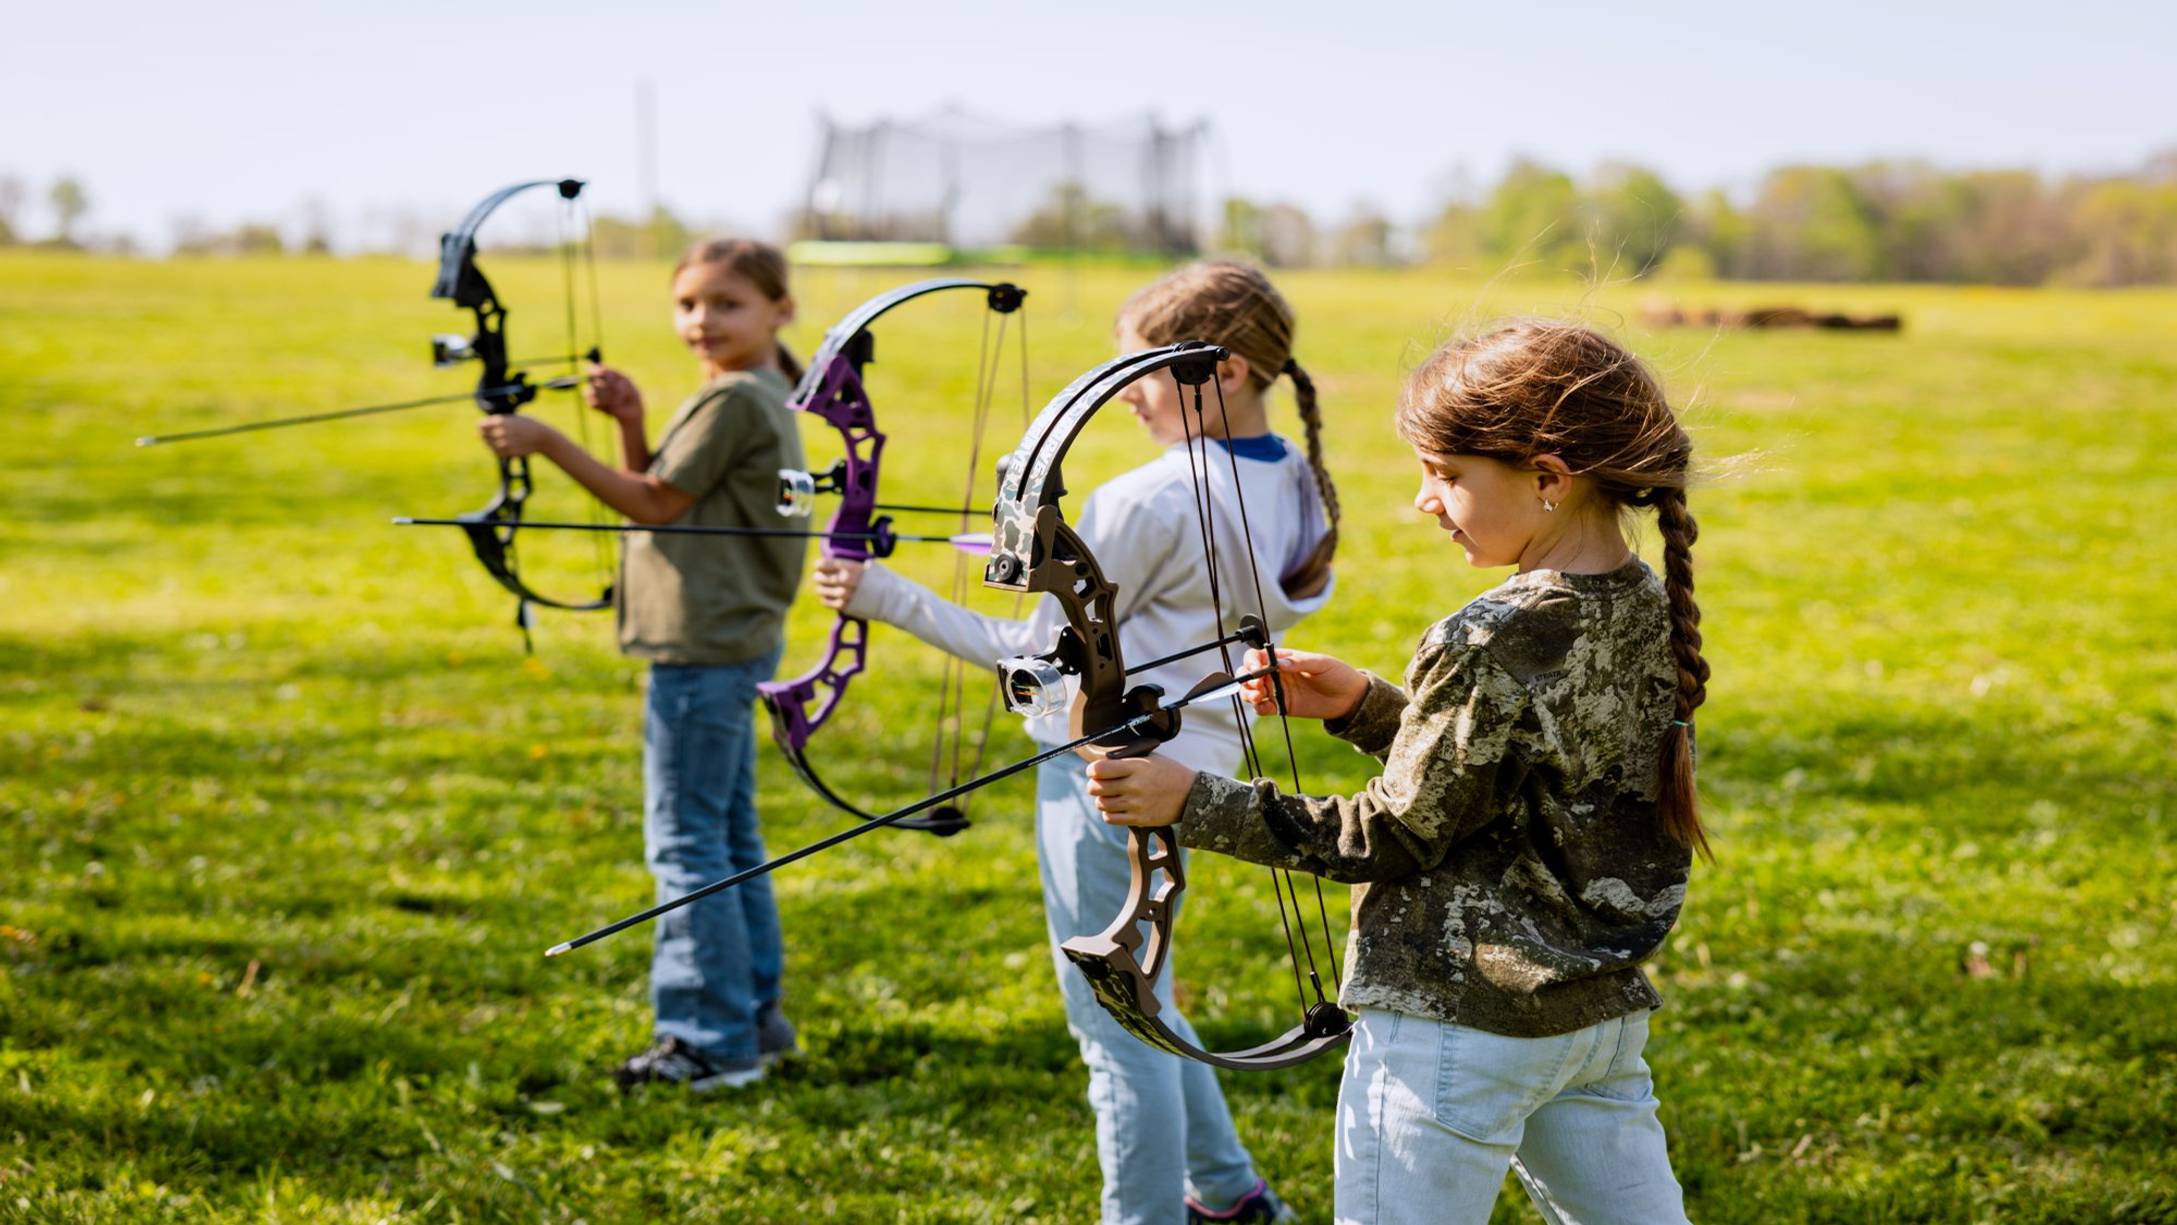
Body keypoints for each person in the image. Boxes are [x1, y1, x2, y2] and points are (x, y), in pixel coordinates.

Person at [1085, 319, 1709, 1224]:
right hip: (1591, 1020)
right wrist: (1363, 706)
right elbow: (1520, 779)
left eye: (1448, 475)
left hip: (1456, 1030)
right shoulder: (1648, 605)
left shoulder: (1484, 636)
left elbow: (1392, 833)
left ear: (1547, 477)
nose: (1424, 499)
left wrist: (1193, 800)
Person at [813, 262, 1341, 1225]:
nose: (1126, 394)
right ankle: (1228, 1195)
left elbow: (1035, 661)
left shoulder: (1149, 498)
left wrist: (881, 595)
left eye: (1139, 370)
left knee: (1113, 1020)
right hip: (1201, 764)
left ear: (1218, 370)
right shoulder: (1295, 478)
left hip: (1107, 776)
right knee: (1143, 989)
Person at [478, 238, 808, 1091]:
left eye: (726, 303)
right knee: (728, 834)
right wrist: (629, 424)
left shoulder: (734, 397)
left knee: (686, 841)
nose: (701, 320)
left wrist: (546, 441)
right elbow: (668, 496)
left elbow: (654, 503)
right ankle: (755, 1022)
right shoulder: (760, 389)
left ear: (780, 309)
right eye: (688, 304)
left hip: (702, 645)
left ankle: (708, 1040)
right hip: (733, 635)